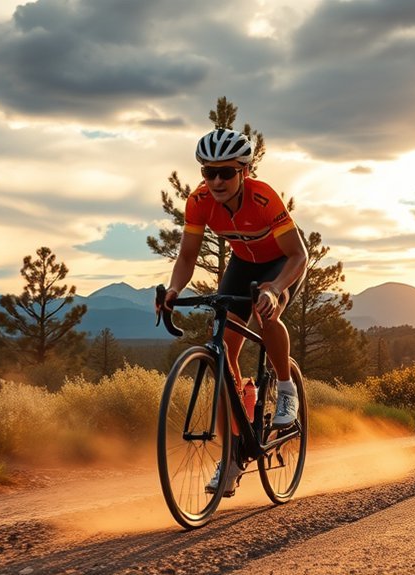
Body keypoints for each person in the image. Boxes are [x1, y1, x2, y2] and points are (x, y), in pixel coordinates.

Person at [160, 128, 308, 496]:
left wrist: (275, 289)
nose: (217, 181)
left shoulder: (263, 199)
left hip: (280, 264)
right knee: (223, 353)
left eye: (225, 172)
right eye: (208, 172)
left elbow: (299, 255)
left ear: (244, 170)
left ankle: (286, 388)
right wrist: (174, 290)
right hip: (242, 266)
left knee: (266, 313)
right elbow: (187, 256)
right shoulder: (198, 201)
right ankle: (233, 455)